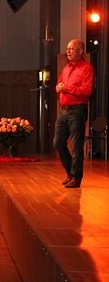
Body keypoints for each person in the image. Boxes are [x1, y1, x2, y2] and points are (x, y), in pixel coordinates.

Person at [54, 39, 94, 188]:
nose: (68, 52)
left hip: (77, 110)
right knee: (57, 143)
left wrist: (67, 88)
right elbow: (59, 85)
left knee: (77, 146)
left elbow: (87, 90)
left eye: (71, 49)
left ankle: (76, 177)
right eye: (67, 49)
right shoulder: (65, 68)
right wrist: (58, 88)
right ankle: (71, 172)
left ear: (80, 51)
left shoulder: (86, 68)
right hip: (63, 110)